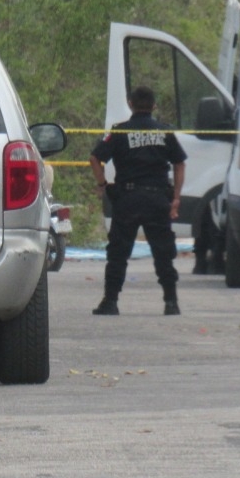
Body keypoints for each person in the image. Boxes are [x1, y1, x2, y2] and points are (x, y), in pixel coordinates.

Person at [89, 85, 187, 316]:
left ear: (130, 104)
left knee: (118, 253)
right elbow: (180, 163)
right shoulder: (164, 132)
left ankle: (110, 302)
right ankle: (171, 302)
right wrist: (176, 198)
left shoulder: (121, 132)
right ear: (154, 106)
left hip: (128, 199)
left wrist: (102, 184)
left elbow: (95, 158)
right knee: (163, 253)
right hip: (157, 199)